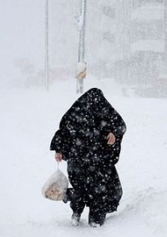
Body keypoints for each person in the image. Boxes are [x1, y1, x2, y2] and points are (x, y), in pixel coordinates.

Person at [50, 88, 126, 227]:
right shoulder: (77, 114)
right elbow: (63, 132)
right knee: (91, 188)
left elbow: (119, 125)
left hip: (94, 160)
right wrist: (59, 149)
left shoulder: (96, 112)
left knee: (92, 188)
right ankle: (85, 215)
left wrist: (113, 133)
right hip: (85, 159)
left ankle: (90, 216)